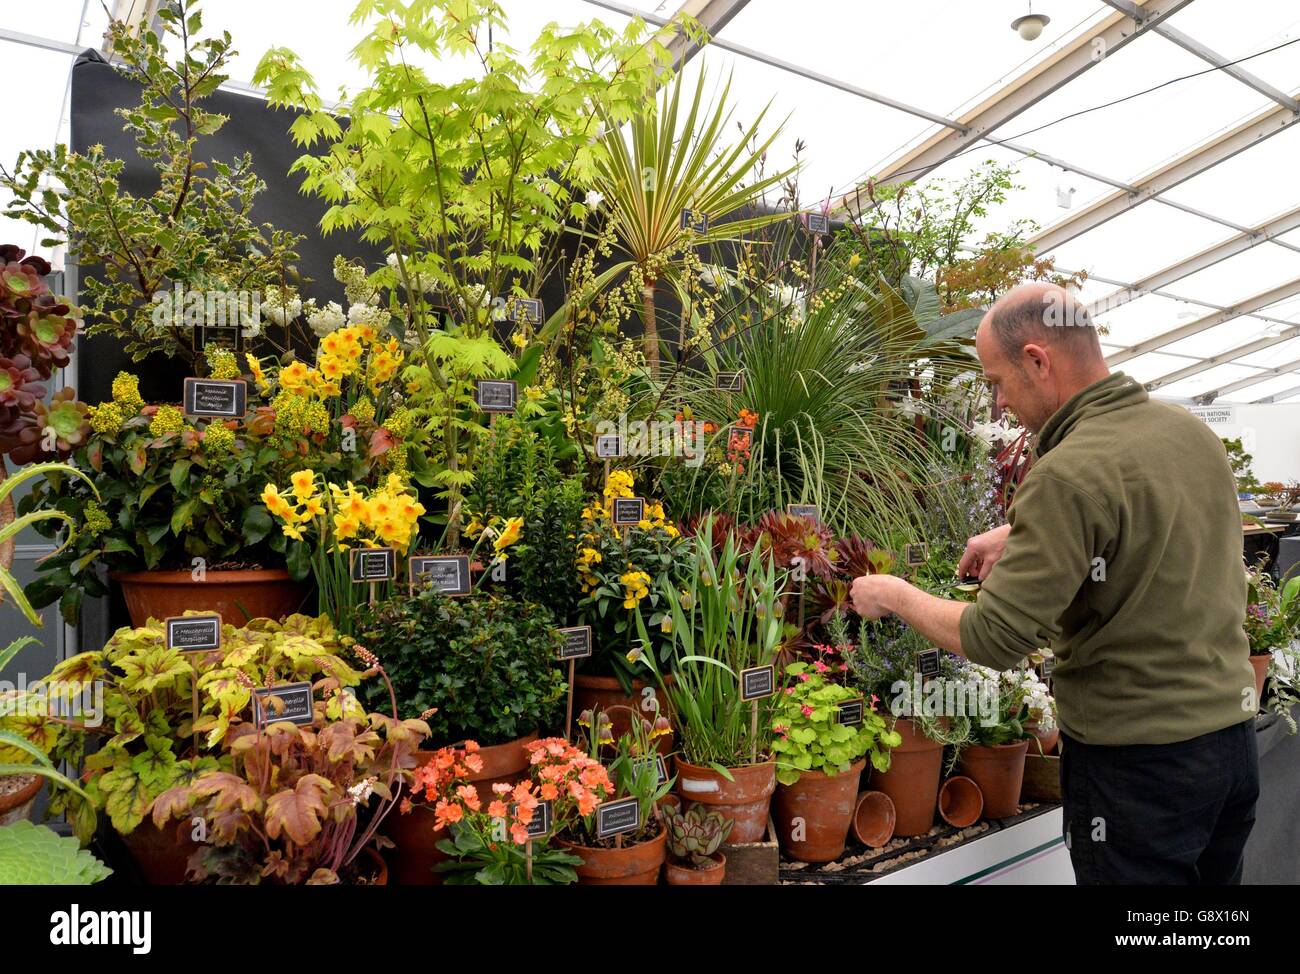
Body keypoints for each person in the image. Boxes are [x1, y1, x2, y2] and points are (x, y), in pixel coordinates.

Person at [850, 281, 1259, 885]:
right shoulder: (1188, 434)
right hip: (1230, 746)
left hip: (1138, 768)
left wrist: (892, 594)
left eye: (997, 381)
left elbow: (997, 638)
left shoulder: (1066, 473)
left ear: (1037, 360)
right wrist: (1019, 531)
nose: (999, 402)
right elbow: (1142, 524)